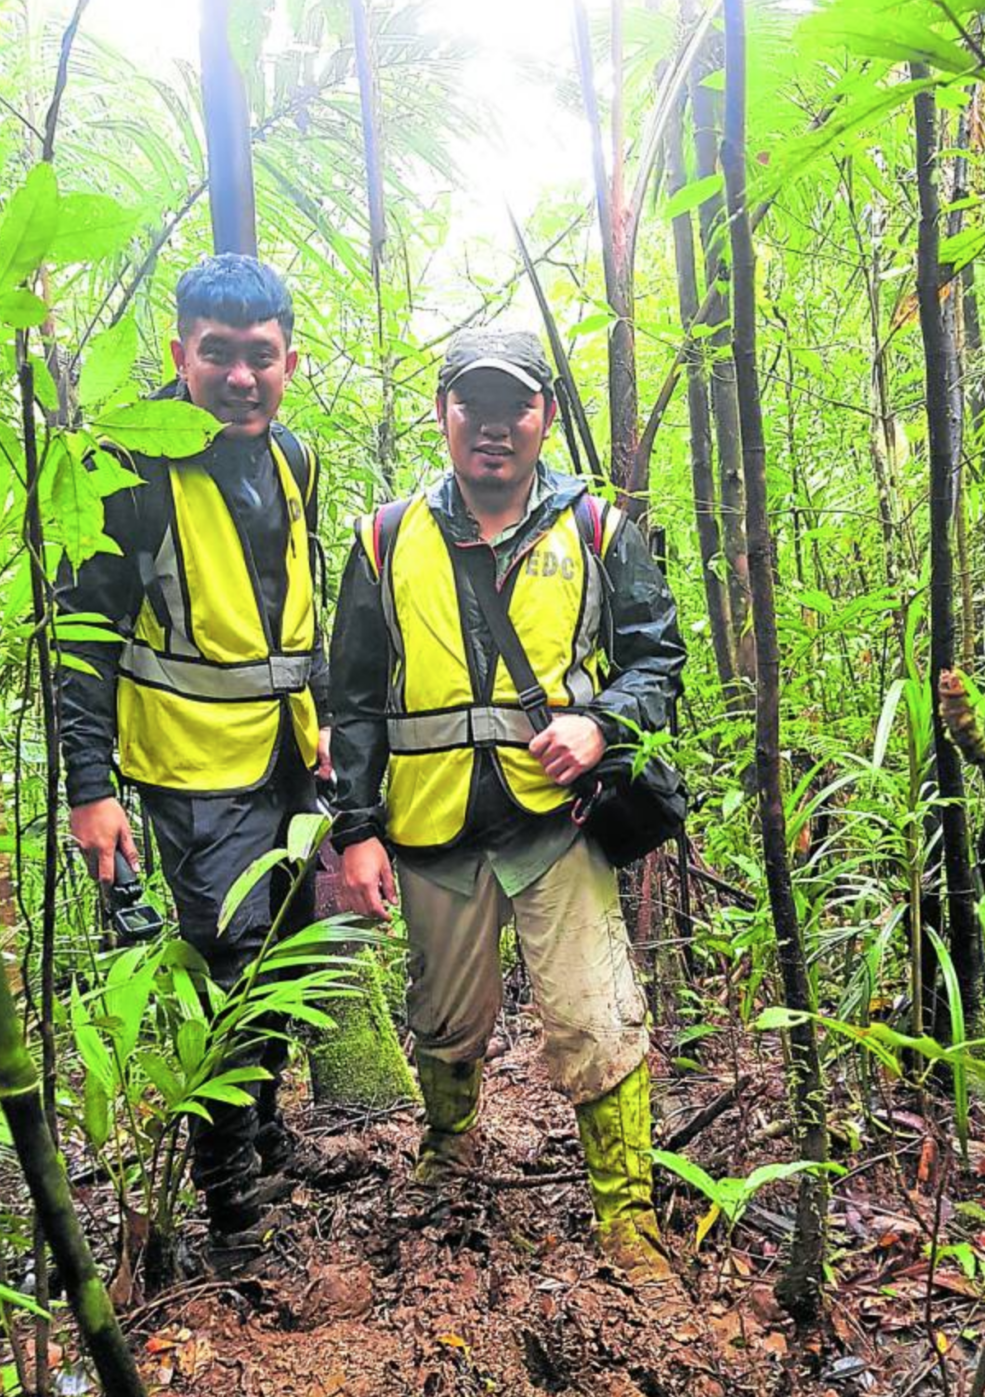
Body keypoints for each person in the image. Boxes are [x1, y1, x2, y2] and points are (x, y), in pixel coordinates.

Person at [329, 328, 685, 1280]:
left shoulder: (599, 529)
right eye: (473, 407)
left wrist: (603, 724)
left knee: (593, 1012)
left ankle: (627, 1215)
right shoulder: (384, 538)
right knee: (447, 1016)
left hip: (555, 820)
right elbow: (354, 698)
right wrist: (356, 832)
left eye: (515, 407)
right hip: (431, 824)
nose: (494, 428)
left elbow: (660, 657)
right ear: (444, 414)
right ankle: (448, 1158)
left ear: (546, 418)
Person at [57, 253, 332, 1258]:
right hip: (187, 766)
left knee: (288, 952)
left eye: (260, 356)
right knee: (226, 970)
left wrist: (327, 719)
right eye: (218, 355)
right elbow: (80, 629)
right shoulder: (128, 465)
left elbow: (295, 606)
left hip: (287, 756)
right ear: (181, 353)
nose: (241, 376)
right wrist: (92, 788)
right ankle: (232, 1217)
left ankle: (260, 1129)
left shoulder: (295, 457)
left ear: (288, 361)